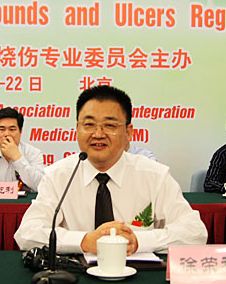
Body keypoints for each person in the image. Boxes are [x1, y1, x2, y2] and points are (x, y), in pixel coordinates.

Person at [14, 85, 208, 254]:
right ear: (77, 129)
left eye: (109, 125)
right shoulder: (58, 175)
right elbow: (27, 234)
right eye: (89, 125)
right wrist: (84, 241)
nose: (98, 134)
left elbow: (195, 232)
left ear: (128, 132)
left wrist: (138, 241)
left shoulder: (155, 175)